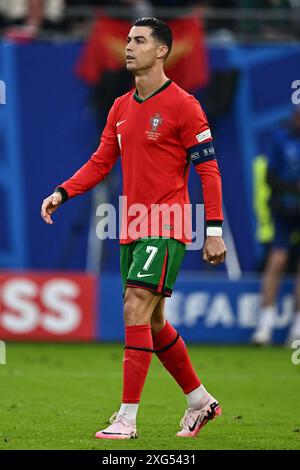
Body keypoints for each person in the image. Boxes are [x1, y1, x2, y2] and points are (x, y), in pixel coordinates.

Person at [41, 17, 226, 439]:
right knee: (155, 320)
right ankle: (200, 402)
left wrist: (213, 229)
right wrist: (63, 192)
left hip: (168, 222)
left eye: (139, 41)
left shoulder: (184, 105)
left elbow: (209, 170)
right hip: (132, 225)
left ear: (162, 51)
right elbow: (101, 161)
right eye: (127, 40)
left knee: (133, 304)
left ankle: (126, 418)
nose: (128, 46)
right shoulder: (121, 108)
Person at [252, 106, 300, 346]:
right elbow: (270, 176)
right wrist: (292, 188)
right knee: (278, 259)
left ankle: (297, 328)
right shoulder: (280, 138)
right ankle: (265, 324)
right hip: (283, 207)